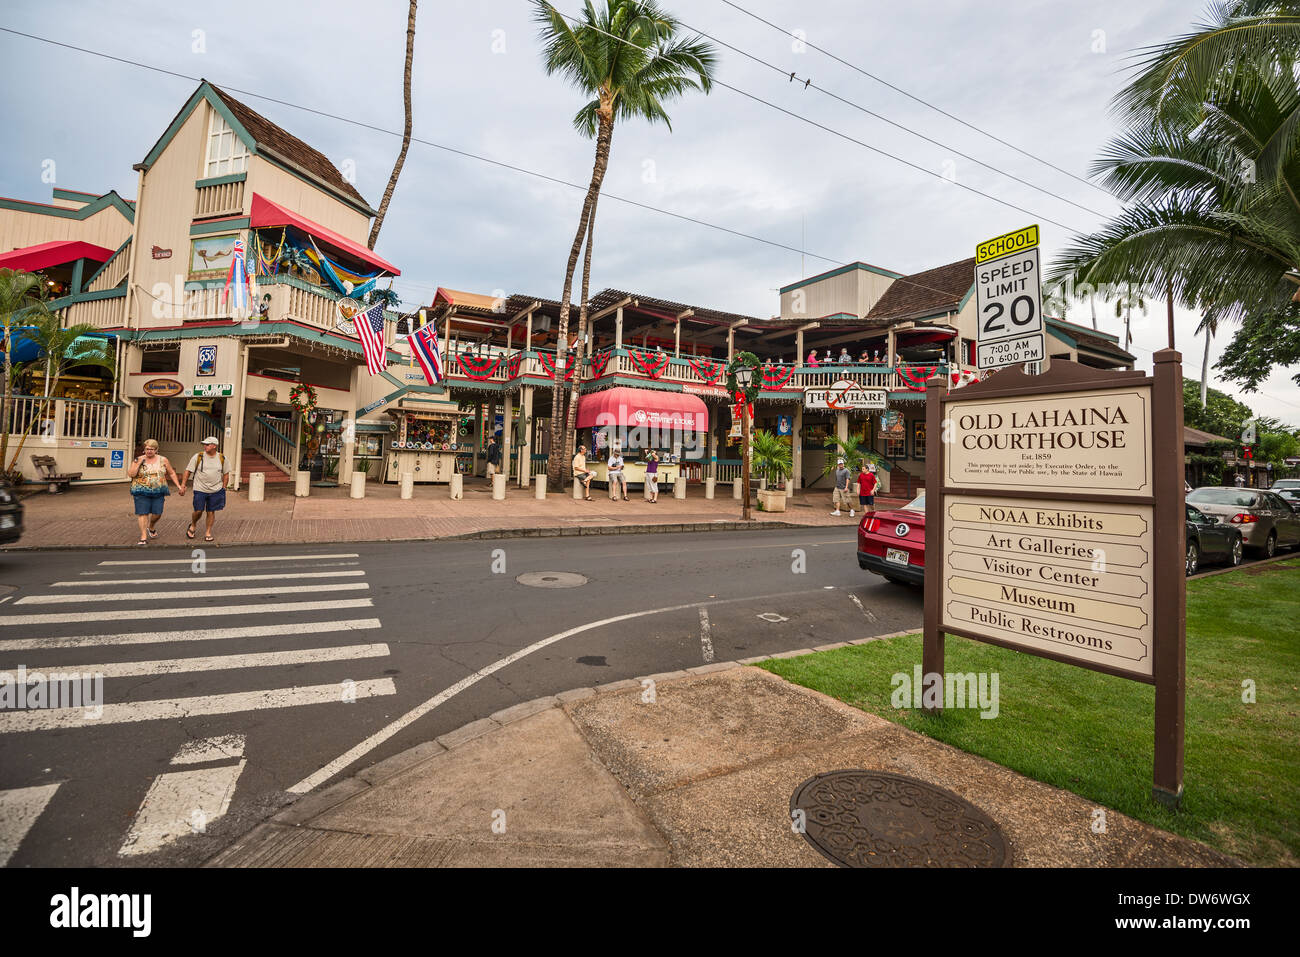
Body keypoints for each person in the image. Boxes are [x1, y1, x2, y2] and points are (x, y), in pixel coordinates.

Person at [127, 439, 182, 545]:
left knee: (157, 513)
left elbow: (171, 473)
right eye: (147, 449)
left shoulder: (163, 460)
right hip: (141, 490)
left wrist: (179, 486)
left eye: (152, 449)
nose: (149, 451)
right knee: (143, 513)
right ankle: (143, 537)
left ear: (156, 450)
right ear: (144, 449)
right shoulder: (138, 459)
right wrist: (138, 463)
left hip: (159, 490)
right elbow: (131, 474)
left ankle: (151, 526)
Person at [183, 436, 232, 543]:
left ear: (214, 446)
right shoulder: (198, 456)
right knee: (198, 510)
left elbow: (226, 474)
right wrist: (183, 485)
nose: (205, 446)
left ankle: (208, 532)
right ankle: (193, 524)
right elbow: (188, 471)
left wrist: (223, 487)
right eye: (204, 444)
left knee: (211, 511)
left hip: (216, 489)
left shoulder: (222, 458)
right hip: (200, 488)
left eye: (207, 444)